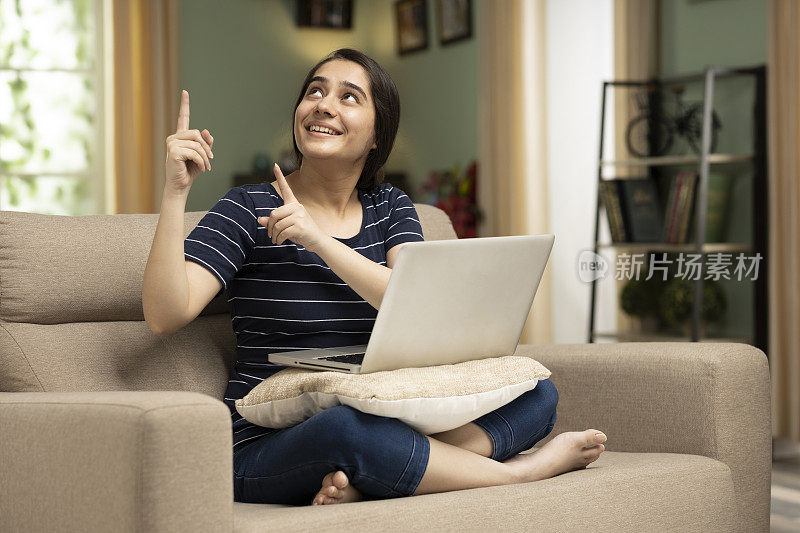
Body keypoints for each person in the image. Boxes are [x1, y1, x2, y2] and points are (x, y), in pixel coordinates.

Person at [142, 48, 607, 507]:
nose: (324, 104)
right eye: (315, 92)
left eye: (349, 97)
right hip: (267, 443)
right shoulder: (248, 207)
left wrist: (320, 240)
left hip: (388, 414)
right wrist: (175, 192)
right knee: (345, 428)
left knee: (536, 393)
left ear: (375, 137)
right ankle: (518, 475)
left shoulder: (390, 205)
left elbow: (415, 305)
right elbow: (166, 314)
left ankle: (380, 473)